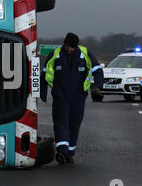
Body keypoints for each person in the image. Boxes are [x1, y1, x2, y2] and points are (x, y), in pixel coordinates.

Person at [41, 33, 103, 164]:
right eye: (68, 46)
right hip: (60, 96)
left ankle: (69, 152)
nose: (70, 49)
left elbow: (98, 70)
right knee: (61, 123)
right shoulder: (55, 55)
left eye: (73, 47)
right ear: (65, 43)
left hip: (78, 96)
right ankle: (61, 151)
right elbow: (44, 72)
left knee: (74, 124)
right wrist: (43, 92)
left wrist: (97, 87)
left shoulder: (85, 54)